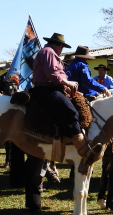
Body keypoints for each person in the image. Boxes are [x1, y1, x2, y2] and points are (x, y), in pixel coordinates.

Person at [31, 32, 103, 165]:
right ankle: (83, 150)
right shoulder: (49, 52)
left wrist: (67, 87)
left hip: (51, 88)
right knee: (71, 112)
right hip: (46, 89)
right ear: (59, 45)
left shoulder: (49, 52)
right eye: (62, 47)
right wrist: (68, 83)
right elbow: (52, 74)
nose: (62, 50)